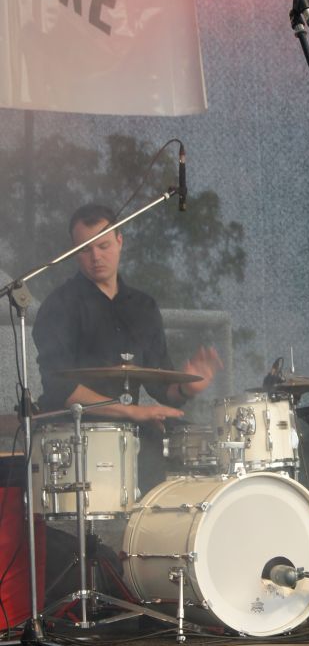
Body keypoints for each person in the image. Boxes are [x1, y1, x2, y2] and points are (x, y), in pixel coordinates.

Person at [33, 203, 222, 492]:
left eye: (104, 246)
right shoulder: (59, 306)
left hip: (133, 441)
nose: (96, 256)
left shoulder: (144, 308)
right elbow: (61, 389)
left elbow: (162, 389)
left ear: (120, 241)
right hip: (73, 442)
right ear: (74, 252)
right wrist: (132, 411)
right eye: (85, 249)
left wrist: (187, 387)